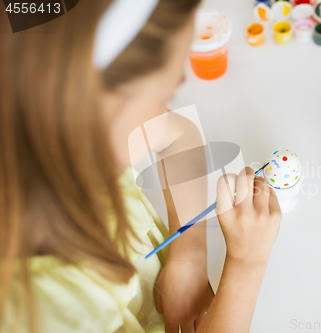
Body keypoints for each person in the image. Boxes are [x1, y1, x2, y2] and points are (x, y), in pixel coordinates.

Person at [0, 0, 282, 332]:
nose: (162, 109)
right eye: (169, 88)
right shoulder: (46, 310)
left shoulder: (42, 124)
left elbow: (177, 132)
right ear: (97, 104)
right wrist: (247, 263)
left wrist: (189, 252)